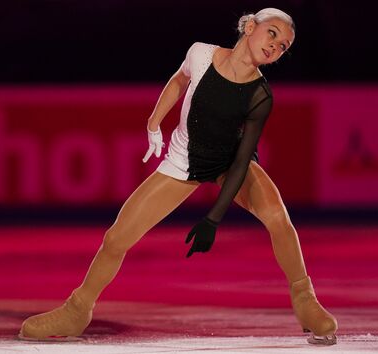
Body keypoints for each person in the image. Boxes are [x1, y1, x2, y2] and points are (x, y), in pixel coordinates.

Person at [19, 8, 338, 346]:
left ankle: (305, 300)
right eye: (272, 33)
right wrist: (154, 122)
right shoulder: (200, 53)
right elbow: (178, 80)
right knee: (117, 238)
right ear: (249, 26)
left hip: (230, 164)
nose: (276, 46)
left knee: (278, 217)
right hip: (183, 162)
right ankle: (76, 310)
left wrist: (213, 219)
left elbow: (243, 160)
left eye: (284, 46)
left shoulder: (260, 95)